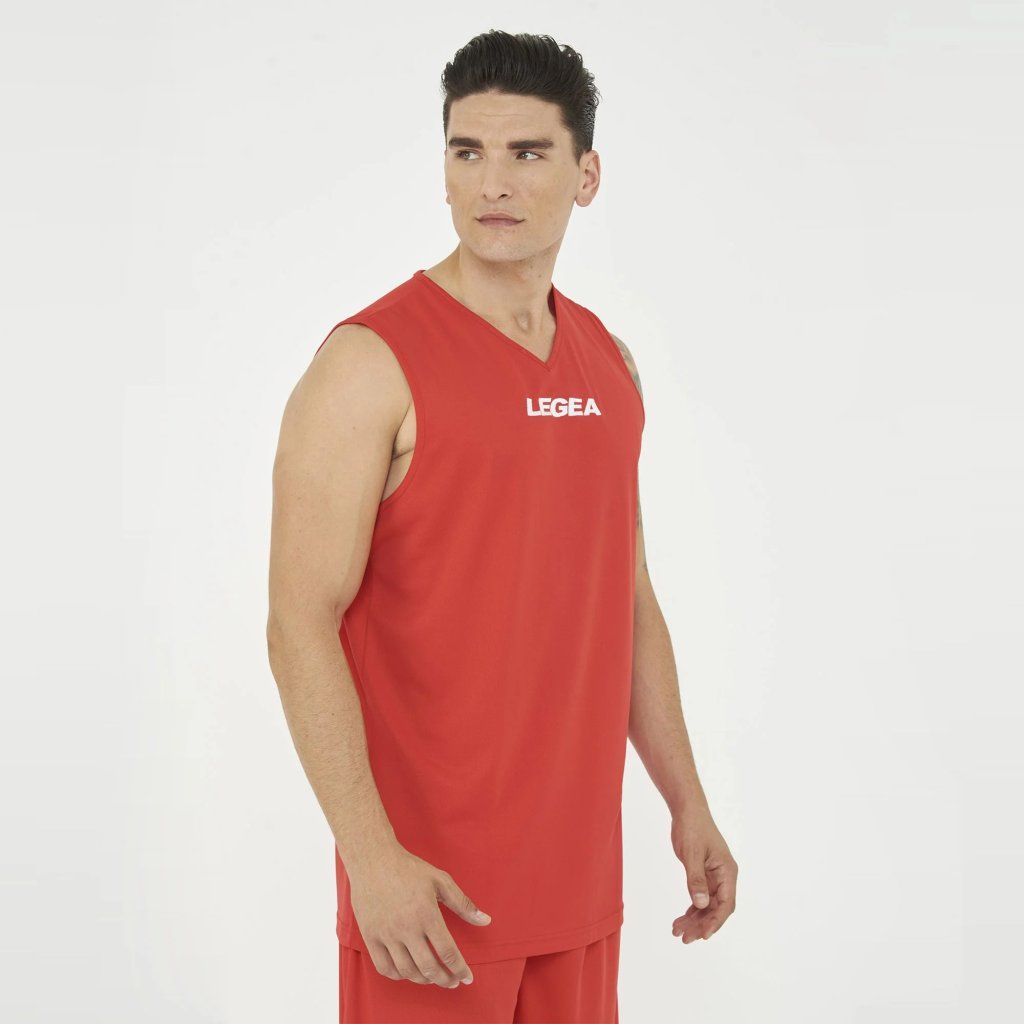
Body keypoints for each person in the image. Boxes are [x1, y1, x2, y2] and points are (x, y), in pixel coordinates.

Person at [266, 29, 738, 1024]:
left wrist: (686, 797)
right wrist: (370, 857)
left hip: (577, 883)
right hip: (426, 901)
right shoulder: (367, 363)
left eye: (527, 153)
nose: (492, 183)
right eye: (466, 151)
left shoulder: (609, 362)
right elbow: (298, 622)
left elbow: (627, 598)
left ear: (586, 174)